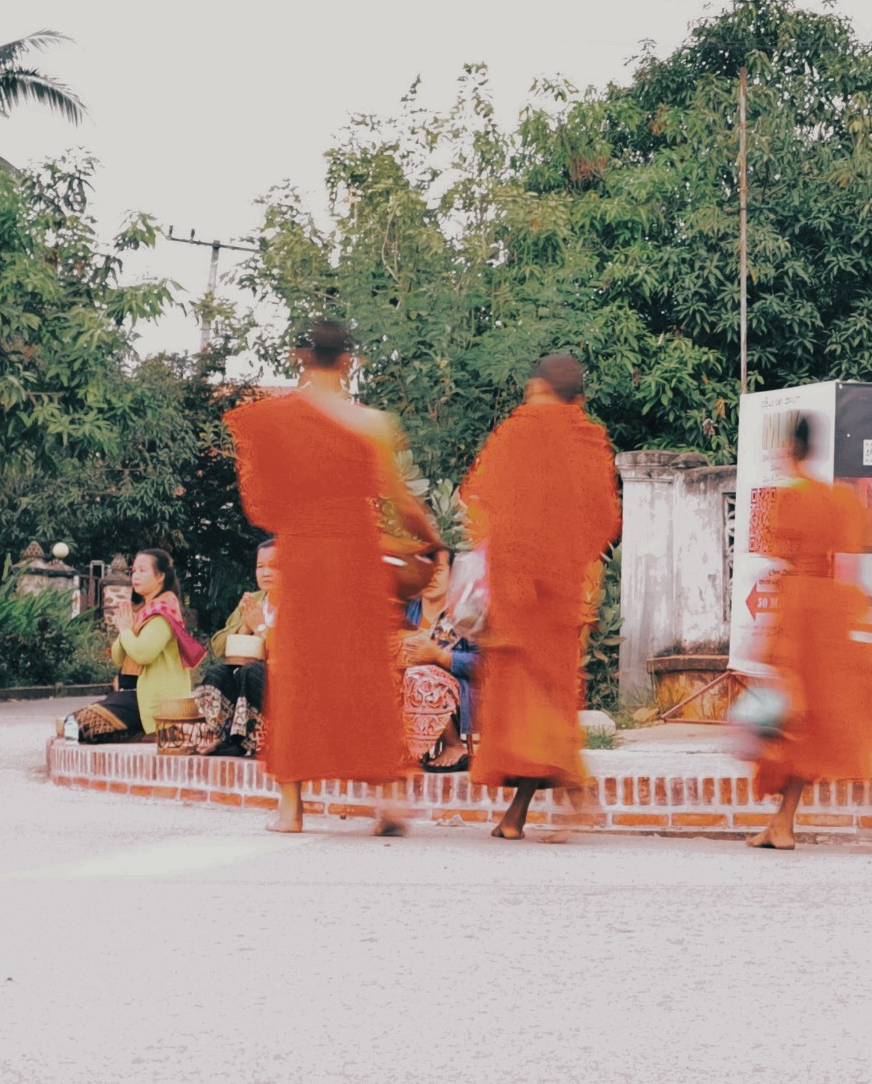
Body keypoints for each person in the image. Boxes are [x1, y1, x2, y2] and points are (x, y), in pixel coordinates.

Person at [224, 319, 441, 836]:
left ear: (301, 356)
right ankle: (387, 797)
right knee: (362, 671)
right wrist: (431, 540)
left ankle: (291, 808)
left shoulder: (277, 419)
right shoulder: (370, 422)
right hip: (356, 555)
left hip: (303, 556)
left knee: (298, 673)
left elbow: (258, 505)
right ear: (348, 360)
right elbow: (398, 496)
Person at [462, 353, 621, 840]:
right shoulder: (588, 440)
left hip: (516, 589)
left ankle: (572, 795)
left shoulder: (515, 433)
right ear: (579, 396)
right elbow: (604, 522)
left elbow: (478, 504)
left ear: (536, 386)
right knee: (546, 698)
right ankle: (523, 812)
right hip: (559, 592)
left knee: (527, 703)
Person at [746, 414, 872, 850]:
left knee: (792, 722)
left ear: (791, 450)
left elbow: (776, 553)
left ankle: (784, 825)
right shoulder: (842, 501)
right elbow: (850, 563)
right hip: (835, 614)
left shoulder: (787, 500)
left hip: (798, 614)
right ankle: (781, 824)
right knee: (815, 720)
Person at [72, 549, 201, 744]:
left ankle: (147, 732)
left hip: (154, 700)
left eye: (142, 570)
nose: (135, 576)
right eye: (133, 571)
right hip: (134, 695)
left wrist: (125, 630)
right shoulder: (145, 611)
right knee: (72, 723)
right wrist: (125, 630)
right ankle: (138, 732)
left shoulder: (163, 612)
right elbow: (118, 657)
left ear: (160, 576)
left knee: (83, 725)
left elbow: (142, 654)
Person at [196, 539, 277, 757]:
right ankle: (221, 737)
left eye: (275, 566)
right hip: (250, 675)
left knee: (251, 672)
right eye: (261, 566)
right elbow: (218, 645)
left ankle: (262, 738)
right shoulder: (253, 600)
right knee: (218, 673)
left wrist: (261, 626)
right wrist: (245, 626)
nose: (266, 572)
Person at [399, 546, 477, 772]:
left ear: (452, 576)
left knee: (421, 675)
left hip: (456, 692)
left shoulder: (465, 614)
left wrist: (440, 656)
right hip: (405, 689)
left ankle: (454, 744)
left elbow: (488, 665)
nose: (431, 577)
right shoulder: (404, 610)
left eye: (439, 570)